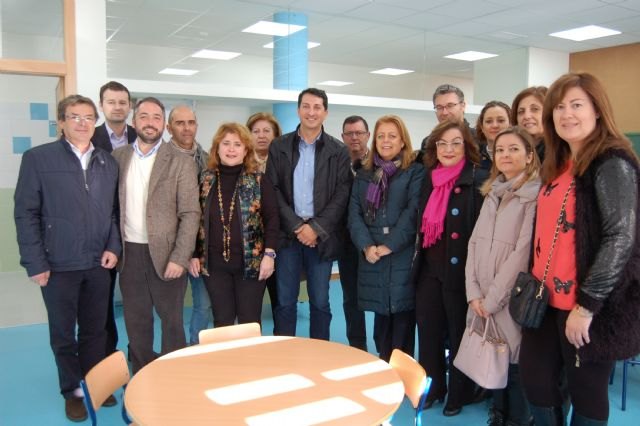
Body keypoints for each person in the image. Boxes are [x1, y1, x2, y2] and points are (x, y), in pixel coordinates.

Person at [519, 72, 640, 426]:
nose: (566, 114)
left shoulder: (612, 163)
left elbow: (620, 238)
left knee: (586, 392)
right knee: (536, 383)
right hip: (543, 302)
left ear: (597, 110)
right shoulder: (558, 165)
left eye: (576, 105)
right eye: (559, 107)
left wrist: (587, 307)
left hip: (588, 307)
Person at [14, 95, 120, 421]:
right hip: (57, 265)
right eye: (75, 116)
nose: (82, 123)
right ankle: (72, 390)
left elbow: (113, 213)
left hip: (98, 264)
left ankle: (94, 383)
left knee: (95, 332)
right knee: (63, 334)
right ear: (61, 121)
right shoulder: (38, 159)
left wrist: (113, 247)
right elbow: (26, 214)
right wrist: (35, 262)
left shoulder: (107, 162)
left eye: (88, 117)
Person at [112, 97, 200, 374]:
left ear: (164, 124)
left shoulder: (181, 161)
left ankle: (173, 375)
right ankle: (142, 374)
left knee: (172, 321)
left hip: (168, 255)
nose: (150, 122)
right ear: (134, 121)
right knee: (136, 321)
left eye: (156, 117)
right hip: (129, 254)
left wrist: (180, 257)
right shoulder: (118, 157)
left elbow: (190, 213)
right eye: (144, 116)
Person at [465, 126, 541, 426]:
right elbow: (474, 243)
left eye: (513, 149)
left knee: (514, 365)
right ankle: (497, 416)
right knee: (492, 360)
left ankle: (517, 420)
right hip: (482, 297)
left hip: (510, 299)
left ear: (529, 155)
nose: (505, 155)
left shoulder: (533, 197)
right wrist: (473, 292)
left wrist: (493, 299)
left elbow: (522, 254)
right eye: (500, 150)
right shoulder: (491, 192)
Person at [414, 119, 488, 417]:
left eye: (456, 143)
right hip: (429, 269)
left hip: (461, 274)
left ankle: (458, 394)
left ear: (467, 147)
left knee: (459, 335)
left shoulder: (479, 178)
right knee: (428, 332)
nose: (448, 149)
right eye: (442, 143)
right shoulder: (429, 178)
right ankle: (434, 389)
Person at [266, 88, 351, 340]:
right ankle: (284, 353)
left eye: (317, 107)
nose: (311, 112)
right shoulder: (279, 146)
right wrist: (296, 226)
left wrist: (315, 228)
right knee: (285, 302)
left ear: (325, 112)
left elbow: (342, 194)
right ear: (298, 110)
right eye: (306, 106)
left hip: (321, 238)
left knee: (320, 302)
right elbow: (272, 189)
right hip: (288, 236)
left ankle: (319, 354)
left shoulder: (338, 151)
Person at [348, 115, 424, 360]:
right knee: (381, 319)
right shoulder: (364, 174)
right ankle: (383, 364)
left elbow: (413, 212)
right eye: (381, 136)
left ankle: (401, 370)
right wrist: (367, 246)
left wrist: (389, 245)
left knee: (402, 316)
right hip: (373, 254)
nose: (386, 140)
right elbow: (354, 214)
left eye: (392, 135)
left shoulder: (415, 172)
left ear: (403, 141)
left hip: (401, 253)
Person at [190, 123, 279, 326]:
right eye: (226, 143)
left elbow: (272, 219)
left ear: (246, 150)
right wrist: (194, 254)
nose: (231, 149)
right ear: (217, 148)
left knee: (249, 321)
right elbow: (195, 219)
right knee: (222, 321)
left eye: (237, 144)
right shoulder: (204, 179)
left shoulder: (258, 180)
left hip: (251, 264)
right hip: (214, 266)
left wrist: (269, 255)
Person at [91, 80, 137, 356]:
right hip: (102, 231)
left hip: (136, 230)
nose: (117, 107)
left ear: (129, 106)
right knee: (101, 302)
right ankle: (106, 356)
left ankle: (138, 350)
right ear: (101, 105)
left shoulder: (143, 135)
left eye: (122, 102)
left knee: (137, 300)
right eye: (111, 102)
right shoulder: (89, 137)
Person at [166, 105, 211, 345]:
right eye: (180, 123)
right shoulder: (160, 160)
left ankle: (195, 350)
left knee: (203, 304)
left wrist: (197, 250)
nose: (186, 128)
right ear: (168, 127)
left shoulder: (208, 159)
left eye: (191, 122)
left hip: (201, 246)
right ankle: (172, 353)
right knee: (169, 308)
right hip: (169, 247)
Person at [246, 112, 282, 330]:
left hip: (279, 243)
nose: (261, 135)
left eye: (267, 131)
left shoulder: (284, 163)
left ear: (276, 135)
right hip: (249, 245)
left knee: (281, 302)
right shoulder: (241, 164)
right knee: (251, 307)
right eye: (256, 131)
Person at [339, 115, 371, 351]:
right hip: (346, 242)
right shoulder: (337, 164)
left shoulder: (380, 164)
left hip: (375, 241)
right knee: (351, 298)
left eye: (359, 133)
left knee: (380, 296)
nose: (354, 138)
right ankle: (358, 347)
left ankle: (385, 347)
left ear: (368, 135)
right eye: (349, 134)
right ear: (343, 137)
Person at [417, 84, 477, 164]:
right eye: (439, 107)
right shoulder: (428, 142)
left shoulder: (478, 138)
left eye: (450, 106)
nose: (444, 112)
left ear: (463, 106)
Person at [511, 86, 548, 162]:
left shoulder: (561, 153)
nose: (526, 116)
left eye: (535, 109)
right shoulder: (509, 151)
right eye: (521, 112)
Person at [475, 100, 512, 168]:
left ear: (510, 124)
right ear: (482, 127)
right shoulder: (473, 159)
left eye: (501, 120)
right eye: (489, 121)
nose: (495, 125)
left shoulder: (521, 156)